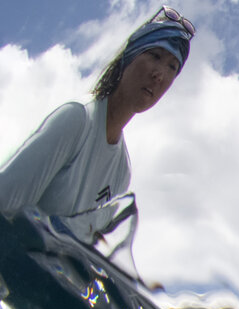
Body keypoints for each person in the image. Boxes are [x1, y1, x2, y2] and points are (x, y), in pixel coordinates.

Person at [0, 8, 193, 248]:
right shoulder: (75, 120)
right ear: (129, 57)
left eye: (172, 67)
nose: (159, 74)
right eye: (154, 55)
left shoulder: (121, 172)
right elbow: (4, 202)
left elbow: (82, 252)